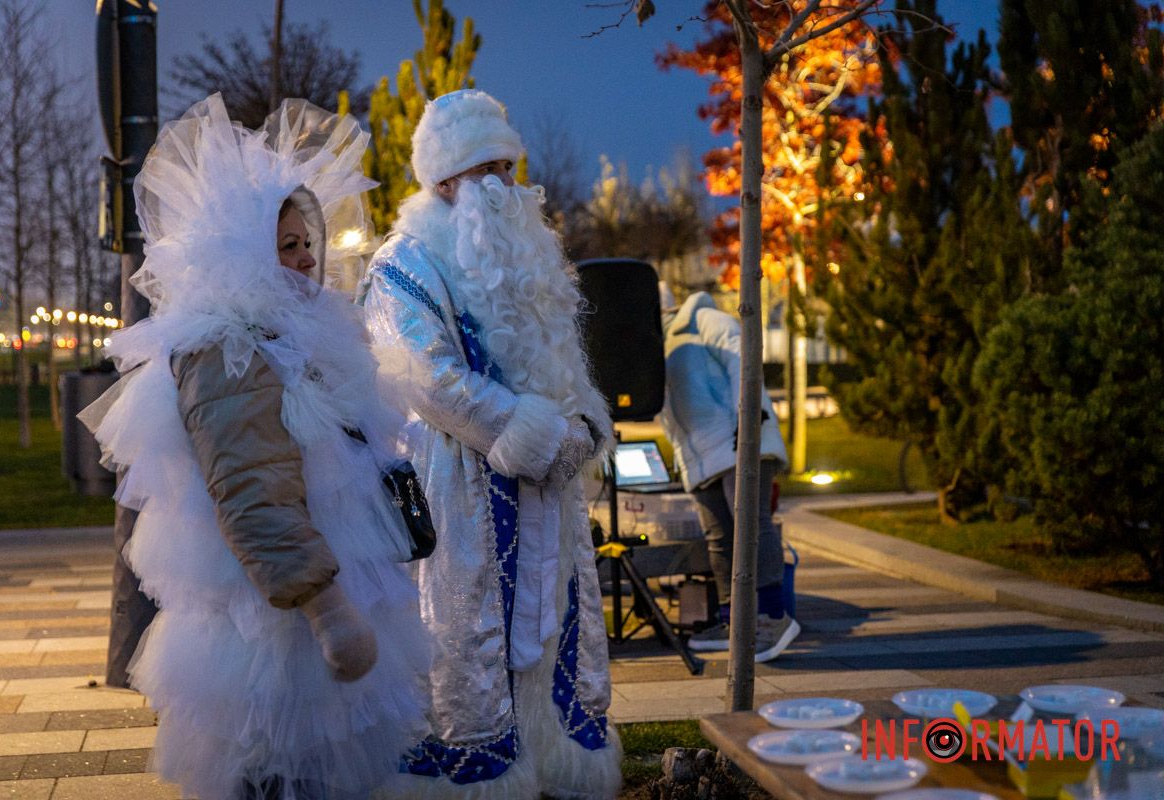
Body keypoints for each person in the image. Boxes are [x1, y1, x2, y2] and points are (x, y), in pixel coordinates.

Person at [80, 94, 430, 800]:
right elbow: (249, 488)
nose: (304, 262)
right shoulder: (228, 347)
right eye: (286, 247)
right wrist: (327, 610)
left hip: (318, 601)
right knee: (276, 771)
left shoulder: (302, 334)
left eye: (309, 244)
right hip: (276, 625)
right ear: (244, 254)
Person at [359, 89, 621, 800]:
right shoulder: (402, 264)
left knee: (555, 622)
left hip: (544, 487)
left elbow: (563, 361)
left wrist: (582, 425)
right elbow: (427, 379)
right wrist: (531, 434)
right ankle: (478, 773)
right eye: (487, 170)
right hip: (460, 486)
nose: (505, 186)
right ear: (444, 180)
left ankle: (550, 757)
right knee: (466, 637)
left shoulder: (527, 257)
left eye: (509, 167)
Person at [658, 284, 800, 663]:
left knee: (751, 525)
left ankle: (773, 616)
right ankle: (734, 620)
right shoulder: (656, 347)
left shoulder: (701, 320)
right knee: (720, 537)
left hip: (739, 440)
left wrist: (749, 415)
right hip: (701, 456)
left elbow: (744, 356)